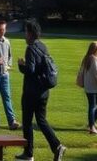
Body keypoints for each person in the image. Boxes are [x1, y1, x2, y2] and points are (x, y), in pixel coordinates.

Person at [15, 19, 66, 161]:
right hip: (43, 91)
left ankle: (28, 153)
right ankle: (57, 146)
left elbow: (30, 70)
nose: (25, 34)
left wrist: (21, 65)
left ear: (30, 33)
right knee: (41, 120)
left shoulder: (30, 48)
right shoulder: (43, 47)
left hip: (31, 92)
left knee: (27, 122)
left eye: (26, 31)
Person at [79, 41, 97, 135]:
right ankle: (92, 128)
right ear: (95, 49)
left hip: (89, 86)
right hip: (94, 87)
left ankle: (92, 123)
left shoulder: (87, 58)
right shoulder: (93, 59)